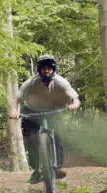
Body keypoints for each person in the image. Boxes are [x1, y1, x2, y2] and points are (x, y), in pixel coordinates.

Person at [9, 55, 80, 184]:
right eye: (43, 68)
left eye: (49, 68)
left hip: (53, 111)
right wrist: (14, 111)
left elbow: (74, 97)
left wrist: (74, 104)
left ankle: (57, 168)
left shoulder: (61, 82)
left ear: (53, 69)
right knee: (32, 140)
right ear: (39, 70)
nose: (46, 71)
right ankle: (36, 170)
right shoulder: (30, 83)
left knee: (57, 136)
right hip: (32, 111)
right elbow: (17, 99)